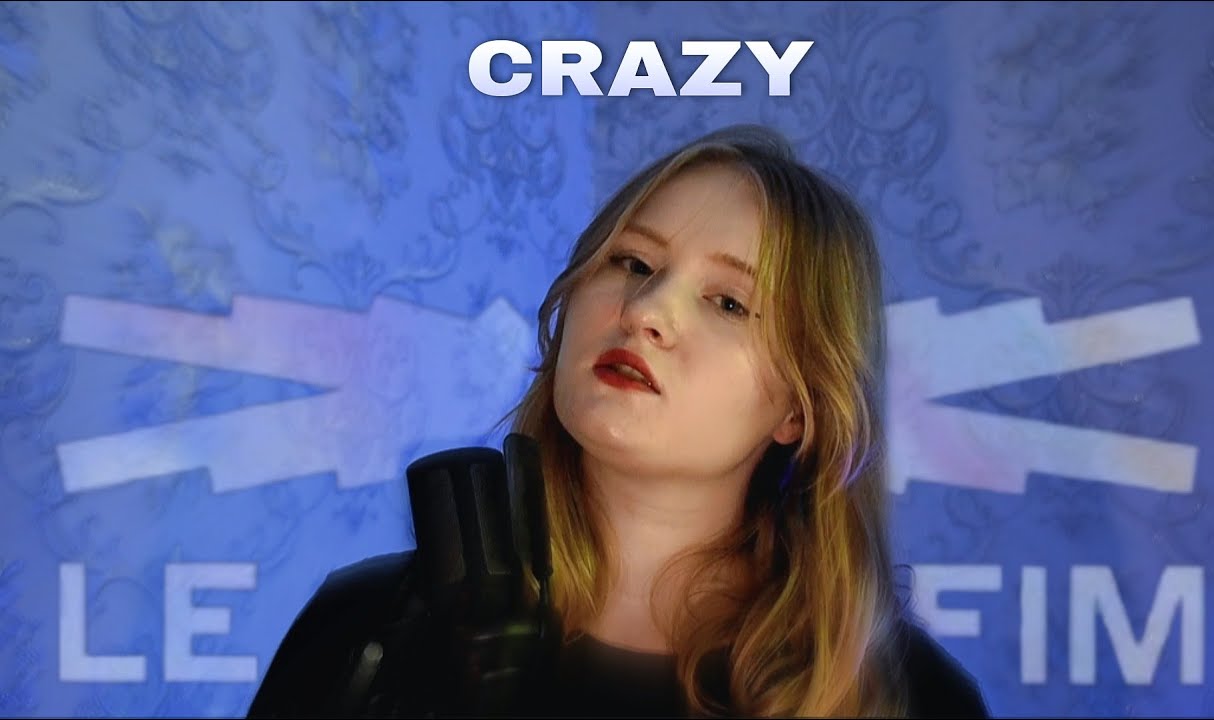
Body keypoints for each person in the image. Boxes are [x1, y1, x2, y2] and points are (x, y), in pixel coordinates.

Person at [246, 124, 990, 718]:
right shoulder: (369, 632)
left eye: (729, 302)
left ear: (799, 408)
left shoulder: (905, 699)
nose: (646, 311)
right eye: (633, 263)